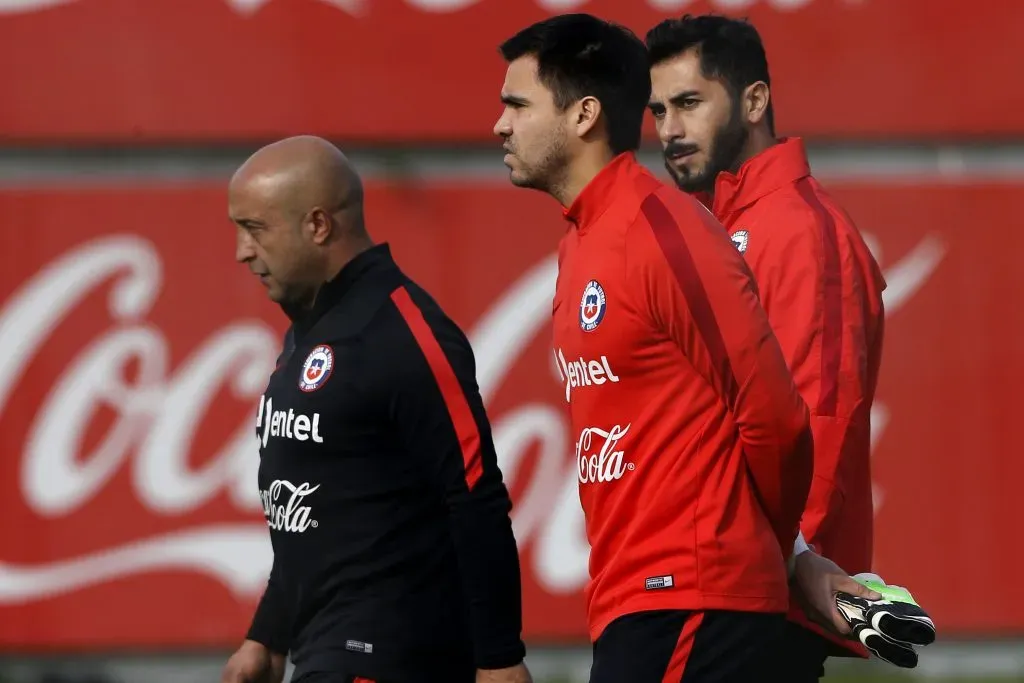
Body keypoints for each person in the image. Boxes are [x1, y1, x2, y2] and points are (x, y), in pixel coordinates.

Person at [492, 13, 864, 683]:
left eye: (517, 104)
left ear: (582, 115)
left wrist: (784, 556)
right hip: (638, 599)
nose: (500, 125)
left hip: (696, 596)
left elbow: (782, 416)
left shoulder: (664, 228)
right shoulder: (582, 241)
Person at [220, 136, 532, 683]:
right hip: (321, 651)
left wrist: (500, 660)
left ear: (318, 225)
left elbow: (476, 495)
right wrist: (268, 635)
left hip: (387, 655)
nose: (241, 252)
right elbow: (317, 512)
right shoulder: (308, 332)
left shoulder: (403, 333)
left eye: (255, 228)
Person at [645, 13, 888, 681]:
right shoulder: (717, 227)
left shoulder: (804, 231)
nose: (668, 128)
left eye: (689, 103)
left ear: (753, 101)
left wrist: (788, 565)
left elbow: (820, 417)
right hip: (711, 589)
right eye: (658, 108)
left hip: (757, 604)